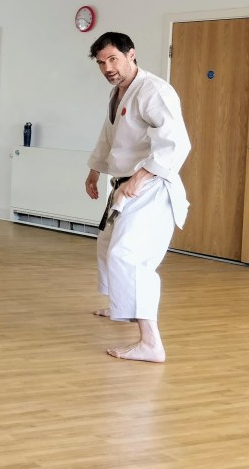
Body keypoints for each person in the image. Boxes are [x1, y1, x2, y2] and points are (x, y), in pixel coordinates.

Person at [85, 32, 191, 363]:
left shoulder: (154, 90)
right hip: (127, 186)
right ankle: (123, 306)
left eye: (113, 59)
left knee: (128, 256)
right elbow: (109, 138)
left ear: (131, 55)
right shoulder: (118, 94)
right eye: (101, 62)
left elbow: (176, 143)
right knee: (107, 246)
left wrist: (141, 176)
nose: (107, 68)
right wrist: (94, 171)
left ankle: (150, 342)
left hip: (151, 187)